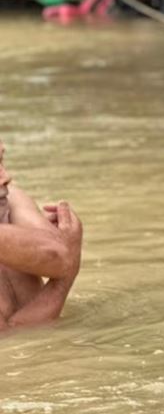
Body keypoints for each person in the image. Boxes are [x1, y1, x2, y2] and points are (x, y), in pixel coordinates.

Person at [0, 140, 83, 330]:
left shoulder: (11, 199)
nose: (6, 177)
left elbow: (59, 257)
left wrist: (69, 254)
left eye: (2, 160)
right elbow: (16, 335)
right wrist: (65, 280)